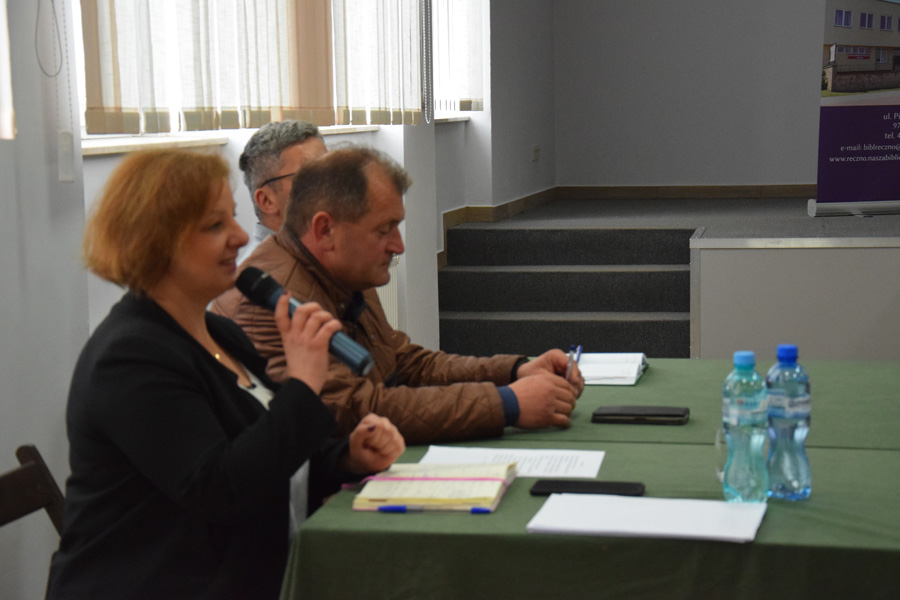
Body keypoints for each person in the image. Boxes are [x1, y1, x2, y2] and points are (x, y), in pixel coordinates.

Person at [46, 149, 405, 600]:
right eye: (216, 225)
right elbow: (222, 490)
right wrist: (302, 385)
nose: (239, 236)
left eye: (233, 217)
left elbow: (267, 455)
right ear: (158, 242)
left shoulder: (219, 332)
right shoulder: (129, 358)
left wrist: (346, 459)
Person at [212, 147, 583, 445]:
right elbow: (350, 411)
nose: (398, 246)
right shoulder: (270, 302)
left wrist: (515, 370)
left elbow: (403, 363)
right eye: (384, 229)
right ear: (325, 230)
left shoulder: (345, 271)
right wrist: (507, 403)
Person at [238, 120, 328, 259]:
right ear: (267, 201)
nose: (330, 184)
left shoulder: (320, 252)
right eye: (309, 176)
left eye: (330, 171)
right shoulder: (264, 269)